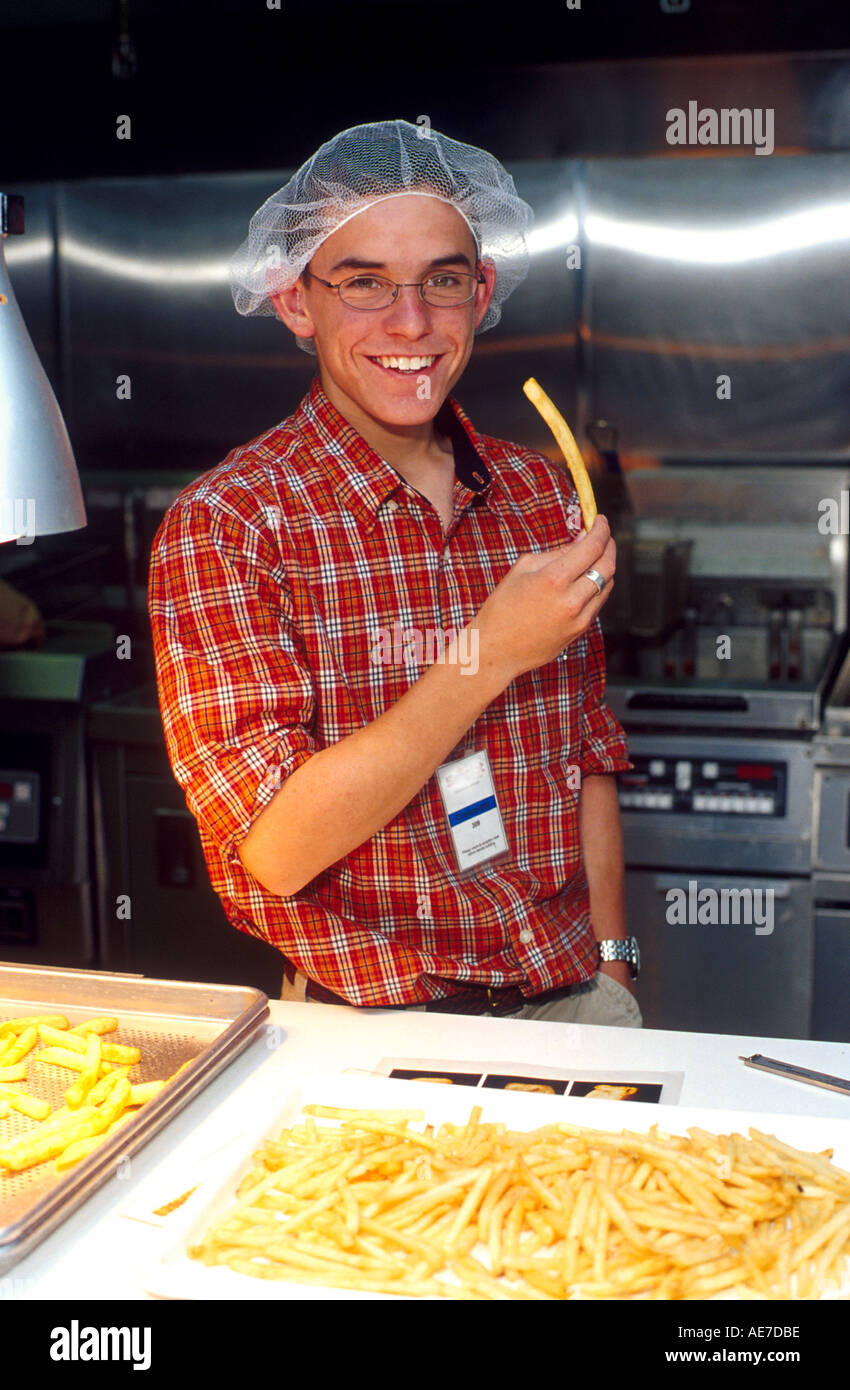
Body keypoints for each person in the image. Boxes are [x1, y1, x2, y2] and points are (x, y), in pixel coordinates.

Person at [148, 119, 640, 1025]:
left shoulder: (539, 492)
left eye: (442, 282)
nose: (411, 324)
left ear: (481, 290)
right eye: (364, 282)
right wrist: (485, 655)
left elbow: (588, 751)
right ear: (296, 301)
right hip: (369, 1028)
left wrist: (617, 971)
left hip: (575, 998)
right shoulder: (229, 523)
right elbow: (280, 848)